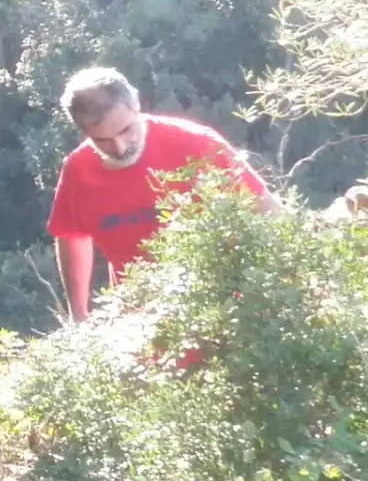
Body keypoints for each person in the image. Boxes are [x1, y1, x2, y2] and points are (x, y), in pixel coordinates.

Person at [47, 67, 277, 322]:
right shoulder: (78, 170)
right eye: (102, 140)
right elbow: (71, 234)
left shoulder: (198, 145)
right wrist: (78, 315)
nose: (120, 147)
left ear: (136, 103)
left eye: (125, 130)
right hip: (141, 325)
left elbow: (270, 214)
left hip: (226, 317)